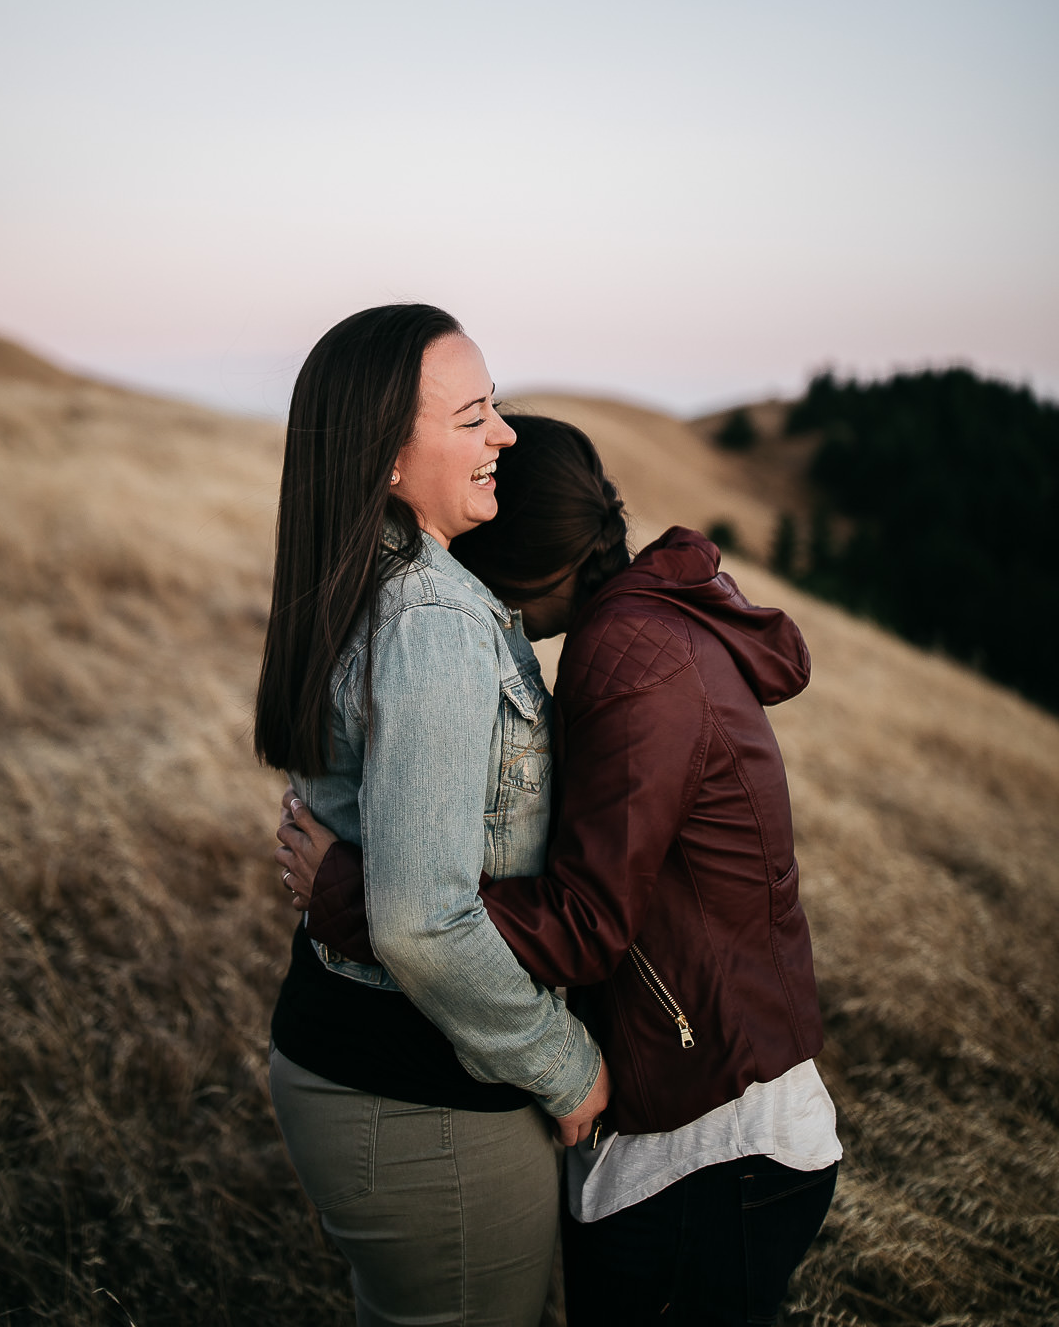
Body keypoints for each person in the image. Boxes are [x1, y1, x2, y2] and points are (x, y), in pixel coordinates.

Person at [277, 413, 841, 1327]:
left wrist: (355, 893)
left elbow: (586, 921)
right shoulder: (636, 628)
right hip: (690, 1110)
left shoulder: (631, 654)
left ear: (517, 568)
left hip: (713, 1139)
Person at [255, 309, 610, 1327]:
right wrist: (568, 1066)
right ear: (388, 458)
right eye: (475, 416)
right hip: (419, 1096)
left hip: (356, 1064)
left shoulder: (361, 582)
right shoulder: (435, 621)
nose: (505, 435)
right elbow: (422, 921)